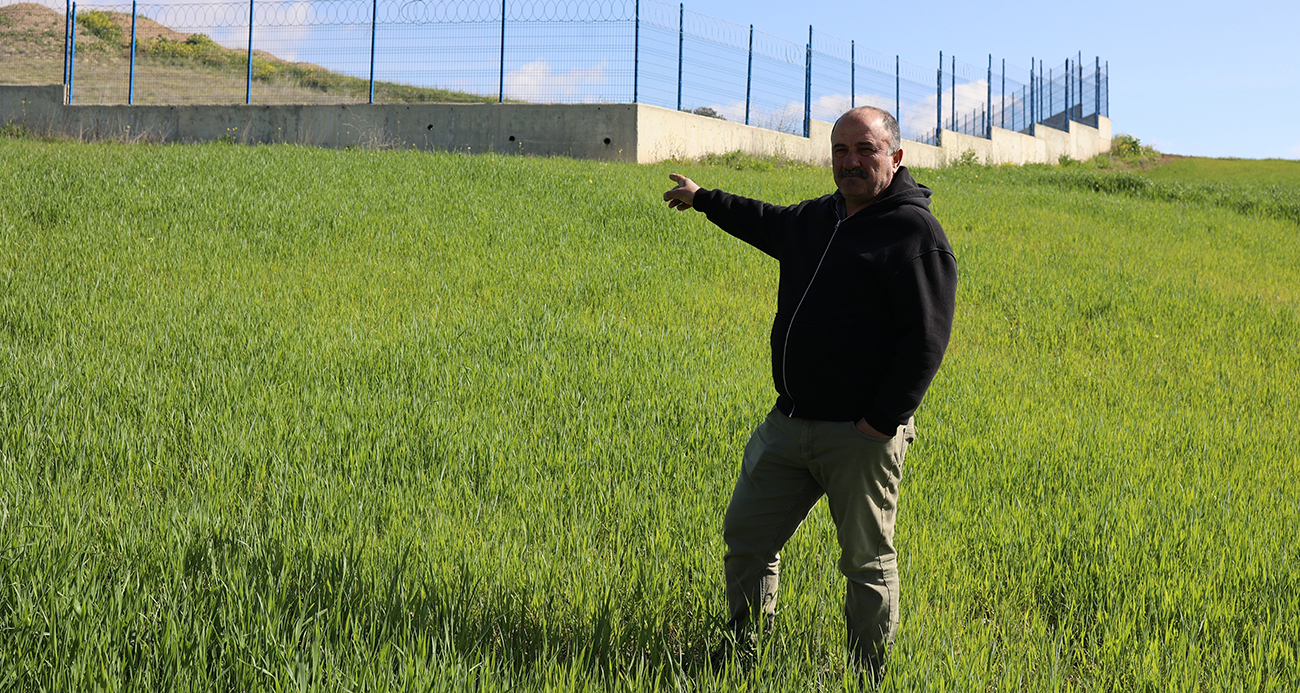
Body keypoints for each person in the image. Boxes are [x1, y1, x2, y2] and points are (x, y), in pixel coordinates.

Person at [661, 106, 957, 682]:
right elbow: (764, 220)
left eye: (865, 150)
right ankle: (746, 650)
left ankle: (867, 672)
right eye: (840, 150)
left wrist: (880, 420)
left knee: (865, 562)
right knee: (747, 536)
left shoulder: (915, 235)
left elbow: (926, 340)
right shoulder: (820, 218)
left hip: (860, 436)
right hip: (789, 423)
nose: (850, 161)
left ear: (896, 158)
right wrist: (703, 198)